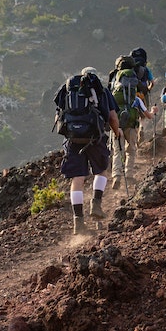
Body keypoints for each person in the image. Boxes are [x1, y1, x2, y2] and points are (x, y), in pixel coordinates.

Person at [54, 67, 121, 234]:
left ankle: (78, 222)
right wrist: (117, 132)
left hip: (72, 139)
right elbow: (112, 117)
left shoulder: (67, 90)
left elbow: (59, 115)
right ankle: (96, 204)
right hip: (95, 138)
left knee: (77, 179)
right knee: (101, 172)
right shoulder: (102, 91)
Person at [111, 90, 158, 190]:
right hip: (131, 128)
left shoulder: (113, 97)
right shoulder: (136, 99)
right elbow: (148, 116)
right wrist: (153, 111)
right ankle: (129, 175)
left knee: (118, 151)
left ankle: (117, 176)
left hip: (117, 127)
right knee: (131, 151)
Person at [130, 47, 155, 144]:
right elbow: (152, 83)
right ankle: (142, 128)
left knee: (133, 114)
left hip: (131, 94)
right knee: (143, 115)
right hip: (143, 94)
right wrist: (147, 89)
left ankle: (134, 133)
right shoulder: (146, 69)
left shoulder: (130, 69)